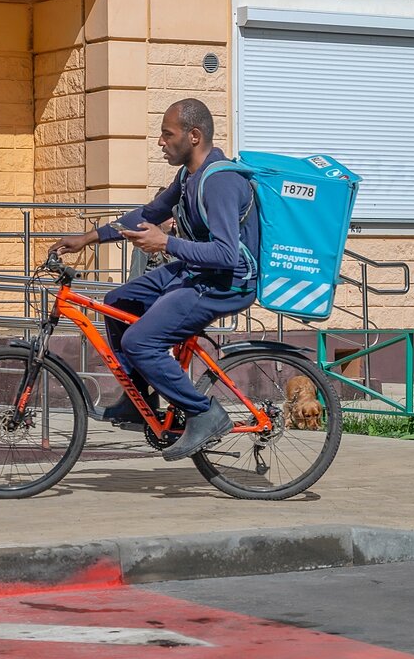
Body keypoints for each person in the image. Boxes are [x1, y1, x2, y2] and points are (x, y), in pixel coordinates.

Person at [49, 98, 259, 461]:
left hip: (226, 283)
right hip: (197, 272)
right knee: (117, 304)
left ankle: (204, 413)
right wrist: (87, 238)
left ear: (193, 136)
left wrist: (167, 242)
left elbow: (227, 254)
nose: (161, 142)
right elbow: (148, 214)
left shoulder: (221, 182)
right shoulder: (188, 176)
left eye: (167, 134)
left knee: (140, 341)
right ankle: (139, 400)